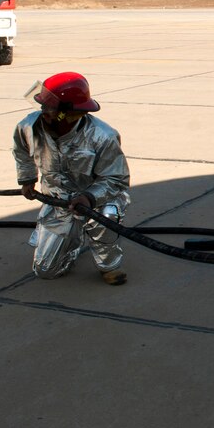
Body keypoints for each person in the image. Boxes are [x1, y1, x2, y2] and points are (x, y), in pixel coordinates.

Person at [13, 72, 130, 285]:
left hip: (97, 201)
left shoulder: (102, 136)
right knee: (46, 271)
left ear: (66, 114)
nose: (43, 112)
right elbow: (21, 151)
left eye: (49, 108)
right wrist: (27, 179)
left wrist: (89, 198)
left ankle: (109, 264)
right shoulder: (29, 127)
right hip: (59, 200)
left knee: (108, 216)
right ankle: (71, 242)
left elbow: (116, 179)